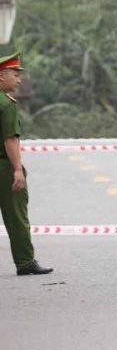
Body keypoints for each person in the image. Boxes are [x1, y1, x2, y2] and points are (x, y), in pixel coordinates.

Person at [0, 53, 51, 276]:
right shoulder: (6, 105)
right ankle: (25, 262)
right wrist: (18, 170)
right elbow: (10, 139)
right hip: (3, 168)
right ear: (2, 76)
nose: (19, 79)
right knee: (17, 217)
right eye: (15, 75)